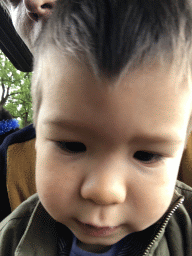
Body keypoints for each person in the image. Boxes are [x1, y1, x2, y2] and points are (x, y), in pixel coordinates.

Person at [1, 0, 192, 255]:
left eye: (146, 155)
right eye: (72, 146)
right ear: (38, 129)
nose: (104, 191)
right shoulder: (11, 236)